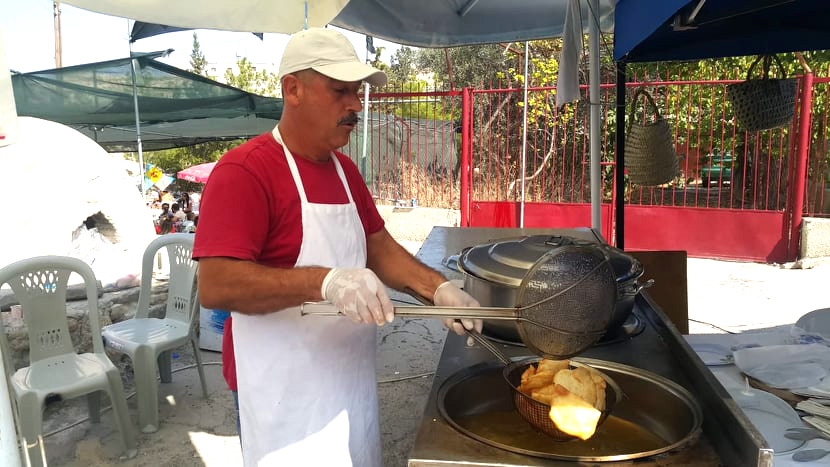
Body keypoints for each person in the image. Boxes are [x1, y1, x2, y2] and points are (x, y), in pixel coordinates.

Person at [193, 27, 481, 467]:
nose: (355, 105)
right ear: (293, 89)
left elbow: (378, 247)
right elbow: (216, 284)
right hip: (280, 391)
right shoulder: (244, 172)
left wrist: (438, 290)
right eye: (340, 91)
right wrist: (326, 281)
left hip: (349, 375)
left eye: (358, 92)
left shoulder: (346, 170)